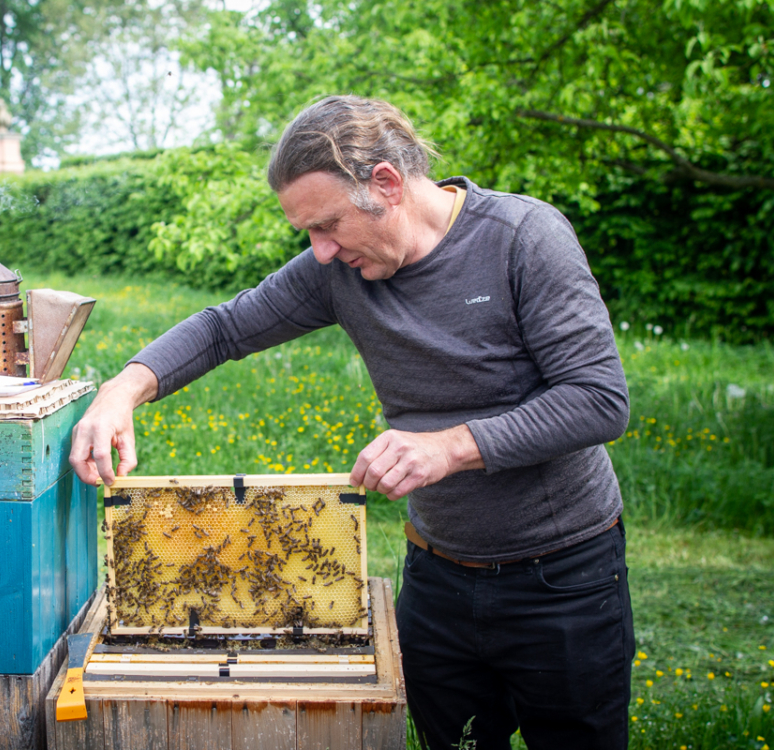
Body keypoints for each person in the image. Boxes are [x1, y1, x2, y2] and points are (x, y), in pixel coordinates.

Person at [70, 95, 633, 750]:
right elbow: (224, 328)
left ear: (386, 184)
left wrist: (450, 447)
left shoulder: (523, 239)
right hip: (437, 573)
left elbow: (597, 397)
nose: (319, 251)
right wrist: (121, 390)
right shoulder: (336, 270)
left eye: (328, 224)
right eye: (308, 231)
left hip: (561, 579)